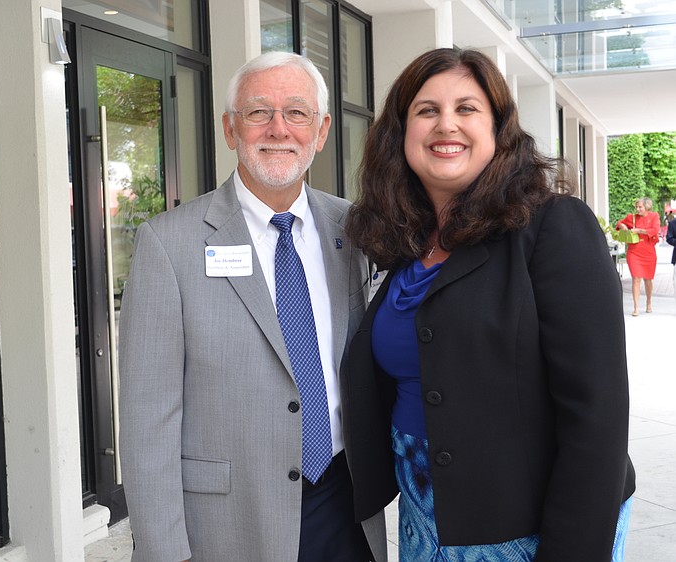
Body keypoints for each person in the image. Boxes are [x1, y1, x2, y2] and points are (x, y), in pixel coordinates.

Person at [342, 48, 635, 562]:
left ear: (499, 128)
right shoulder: (405, 244)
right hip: (422, 519)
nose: (445, 125)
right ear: (401, 133)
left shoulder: (554, 226)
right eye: (426, 110)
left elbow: (598, 414)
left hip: (526, 529)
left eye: (467, 109)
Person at [118, 51, 384, 562]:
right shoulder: (168, 245)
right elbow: (147, 423)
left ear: (322, 130)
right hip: (227, 523)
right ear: (230, 129)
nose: (278, 129)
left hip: (343, 504)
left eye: (297, 113)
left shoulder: (353, 231)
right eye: (259, 112)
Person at [616, 197, 660, 316]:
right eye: (637, 207)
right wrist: (623, 226)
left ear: (647, 207)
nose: (638, 209)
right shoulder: (632, 217)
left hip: (649, 251)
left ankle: (649, 302)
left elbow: (655, 230)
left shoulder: (654, 216)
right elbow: (619, 223)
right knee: (636, 278)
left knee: (648, 279)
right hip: (634, 251)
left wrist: (639, 230)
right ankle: (636, 307)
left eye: (640, 207)